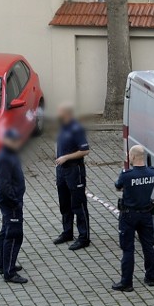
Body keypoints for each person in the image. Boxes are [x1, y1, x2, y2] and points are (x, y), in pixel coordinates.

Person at [111, 144, 154, 292]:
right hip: (146, 215)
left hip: (129, 216)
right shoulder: (153, 173)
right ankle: (150, 278)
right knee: (148, 246)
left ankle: (127, 283)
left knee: (128, 249)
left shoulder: (126, 175)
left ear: (133, 157)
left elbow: (118, 186)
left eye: (129, 155)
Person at [52, 103, 91, 250]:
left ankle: (84, 237)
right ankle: (67, 232)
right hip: (61, 170)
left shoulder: (77, 128)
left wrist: (66, 157)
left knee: (78, 204)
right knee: (64, 203)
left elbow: (85, 150)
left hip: (75, 171)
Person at [0, 128, 27, 284]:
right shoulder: (5, 157)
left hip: (7, 201)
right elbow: (5, 185)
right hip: (10, 203)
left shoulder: (8, 153)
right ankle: (9, 272)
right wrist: (15, 202)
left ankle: (3, 264)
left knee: (5, 231)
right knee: (14, 235)